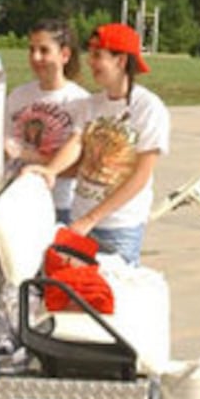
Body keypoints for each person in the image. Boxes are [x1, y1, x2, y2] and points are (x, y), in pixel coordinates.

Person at [27, 23, 169, 265]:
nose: (90, 62)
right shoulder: (91, 103)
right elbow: (76, 143)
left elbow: (141, 175)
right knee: (75, 294)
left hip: (118, 228)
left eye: (97, 55)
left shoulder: (148, 108)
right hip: (80, 219)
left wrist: (92, 219)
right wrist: (51, 170)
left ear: (121, 60)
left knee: (113, 296)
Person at [4, 19, 88, 224]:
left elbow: (77, 168)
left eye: (44, 50)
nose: (35, 57)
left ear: (65, 55)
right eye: (31, 49)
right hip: (16, 201)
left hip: (58, 206)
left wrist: (29, 156)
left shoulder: (80, 101)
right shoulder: (18, 95)